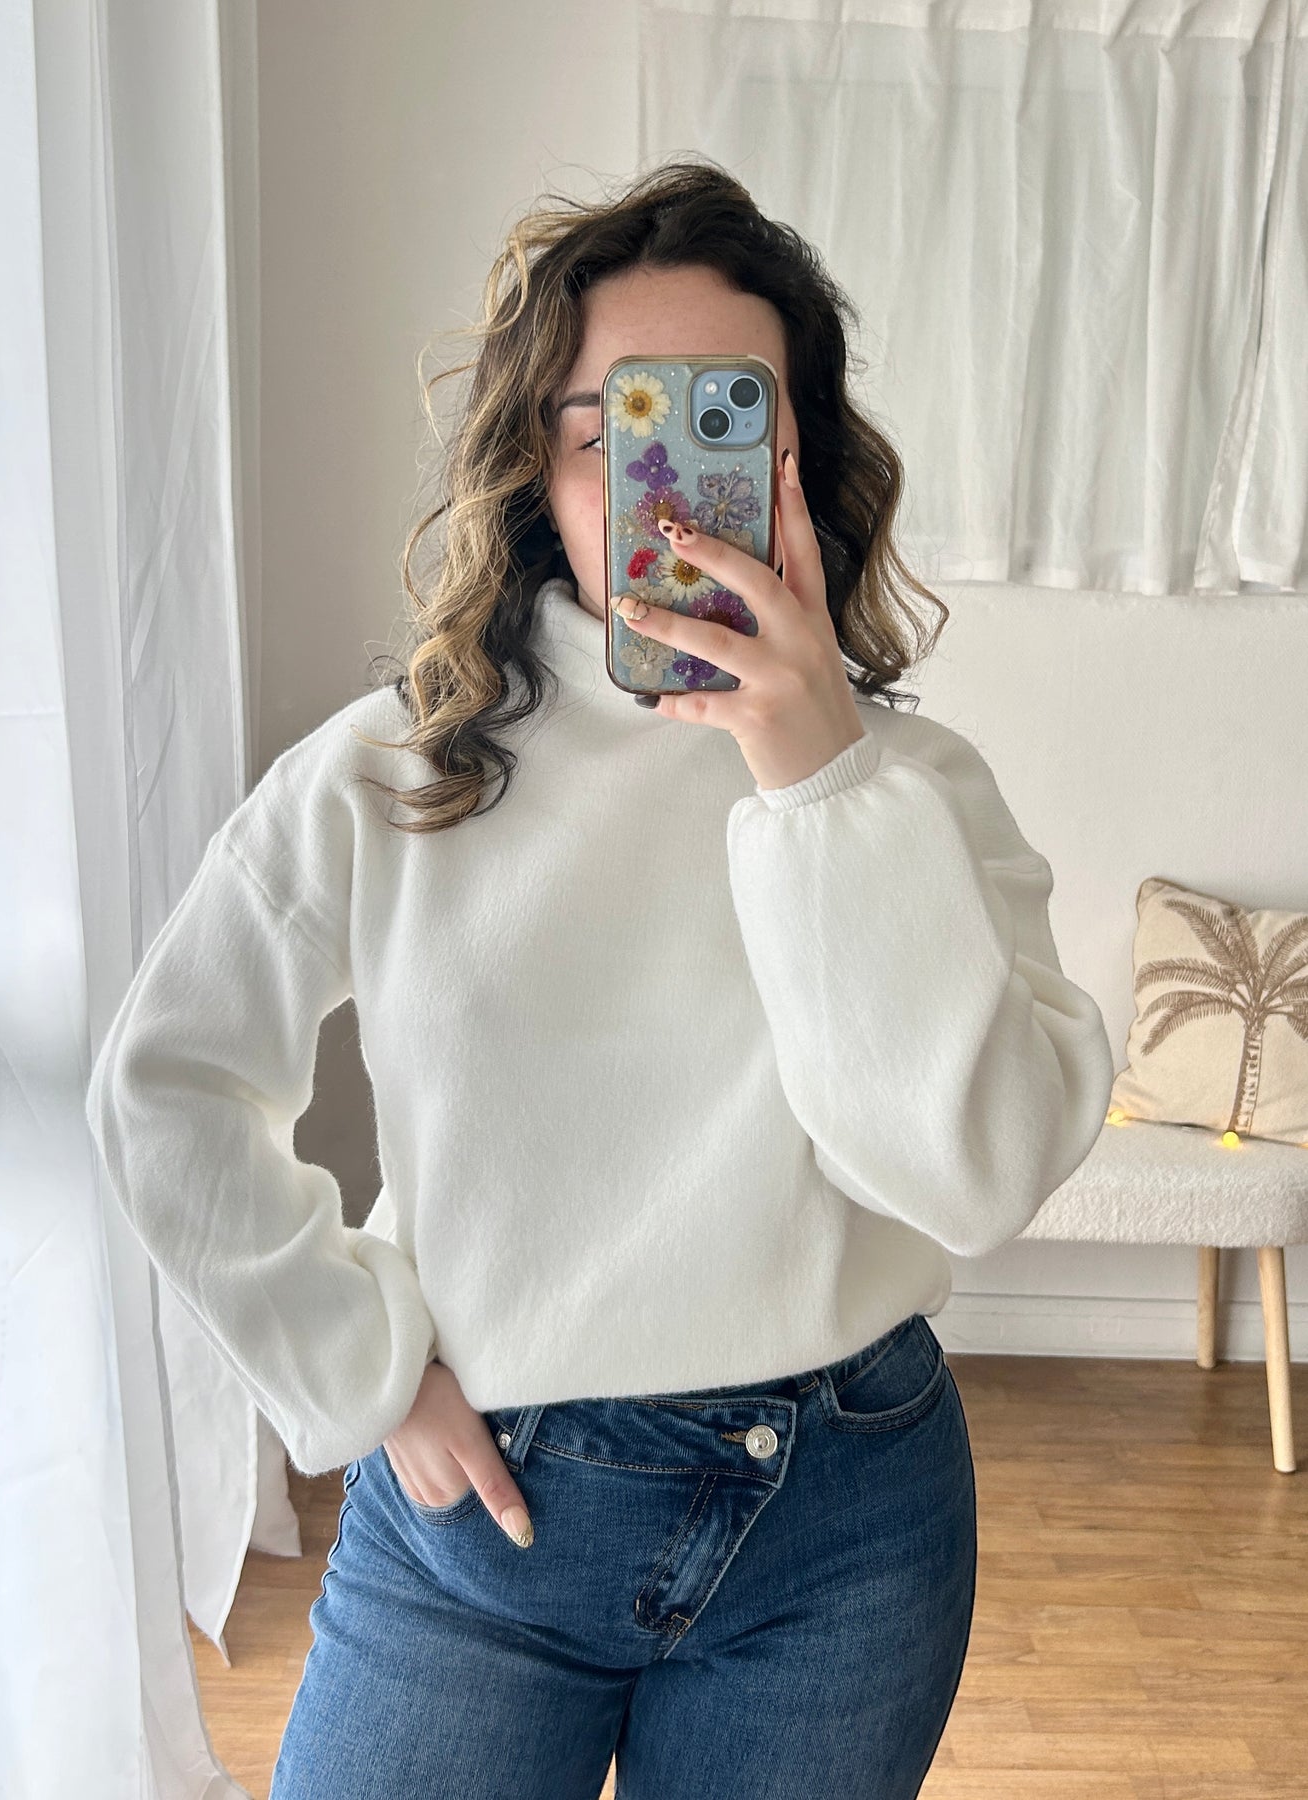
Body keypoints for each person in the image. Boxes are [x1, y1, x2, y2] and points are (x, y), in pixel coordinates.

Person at [86, 158, 1116, 1798]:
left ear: (800, 461)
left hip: (843, 1526)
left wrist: (816, 780)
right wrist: (361, 1375)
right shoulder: (389, 772)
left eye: (733, 418)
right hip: (478, 1528)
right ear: (538, 463)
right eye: (622, 423)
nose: (678, 482)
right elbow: (167, 1086)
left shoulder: (913, 790)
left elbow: (973, 1178)